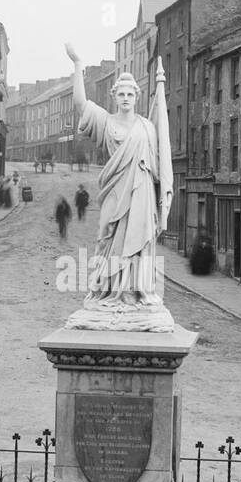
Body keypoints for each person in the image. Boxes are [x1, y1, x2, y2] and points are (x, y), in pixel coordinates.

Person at [62, 42, 173, 330]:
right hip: (114, 193)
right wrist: (77, 65)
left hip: (141, 193)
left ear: (137, 97)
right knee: (105, 238)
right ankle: (106, 292)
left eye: (130, 94)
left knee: (139, 243)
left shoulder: (148, 127)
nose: (125, 98)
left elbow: (158, 164)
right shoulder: (106, 121)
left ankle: (135, 292)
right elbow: (79, 105)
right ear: (114, 97)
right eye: (121, 94)